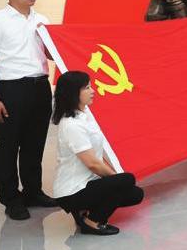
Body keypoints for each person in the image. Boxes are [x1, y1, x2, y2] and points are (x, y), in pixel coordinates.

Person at [0, 0, 57, 220]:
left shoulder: (41, 20)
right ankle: (11, 199)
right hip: (11, 89)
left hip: (40, 86)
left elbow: (51, 55)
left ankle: (33, 192)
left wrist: (52, 38)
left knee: (35, 144)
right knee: (9, 146)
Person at [52, 71, 144, 235]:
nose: (92, 91)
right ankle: (92, 222)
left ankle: (84, 212)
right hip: (72, 190)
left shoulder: (85, 113)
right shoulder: (71, 125)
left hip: (88, 182)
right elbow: (93, 164)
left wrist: (117, 181)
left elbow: (97, 155)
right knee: (127, 180)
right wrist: (117, 180)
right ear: (73, 93)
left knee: (136, 194)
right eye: (87, 88)